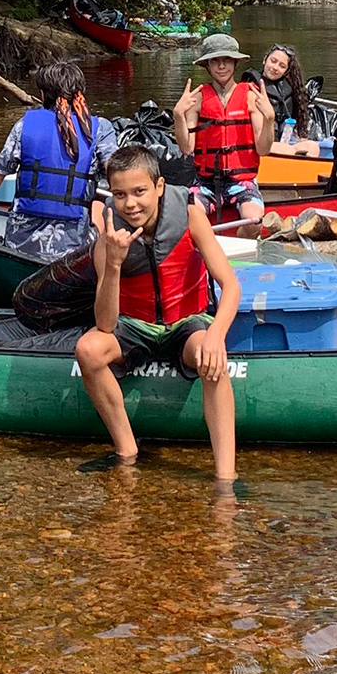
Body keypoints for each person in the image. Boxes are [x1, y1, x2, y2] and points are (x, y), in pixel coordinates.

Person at [73, 145, 242, 481]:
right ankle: (127, 450)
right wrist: (116, 264)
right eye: (120, 195)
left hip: (187, 324)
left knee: (213, 359)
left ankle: (226, 475)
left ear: (159, 187)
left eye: (139, 192)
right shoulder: (108, 237)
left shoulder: (190, 216)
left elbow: (231, 286)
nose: (131, 204)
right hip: (134, 326)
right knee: (87, 349)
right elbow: (105, 323)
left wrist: (216, 336)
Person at [0, 61, 118, 260]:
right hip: (73, 249)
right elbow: (118, 176)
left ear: (42, 94)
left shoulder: (24, 126)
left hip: (20, 243)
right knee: (99, 206)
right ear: (80, 92)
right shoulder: (100, 128)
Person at [173, 34, 273, 222]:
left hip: (243, 183)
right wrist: (178, 116)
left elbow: (263, 149)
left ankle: (241, 245)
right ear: (207, 65)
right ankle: (204, 246)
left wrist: (270, 119)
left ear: (235, 63)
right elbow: (187, 148)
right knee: (188, 215)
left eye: (226, 60)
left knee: (253, 221)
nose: (221, 66)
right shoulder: (198, 99)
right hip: (206, 183)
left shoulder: (252, 97)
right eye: (215, 61)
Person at [260, 44, 322, 156]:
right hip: (260, 142)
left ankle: (306, 172)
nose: (275, 68)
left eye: (282, 66)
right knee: (288, 151)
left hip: (281, 140)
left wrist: (299, 137)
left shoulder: (287, 89)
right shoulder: (252, 85)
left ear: (286, 71)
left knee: (312, 147)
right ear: (265, 60)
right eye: (273, 61)